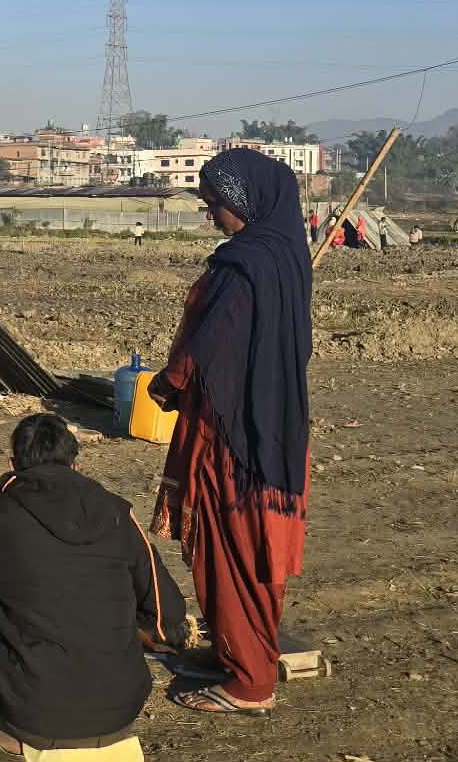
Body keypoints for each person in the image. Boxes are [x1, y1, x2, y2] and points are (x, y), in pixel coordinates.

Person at [0, 414, 187, 758]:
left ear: (12, 465)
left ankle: (12, 718)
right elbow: (169, 611)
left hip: (36, 712)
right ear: (77, 464)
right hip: (124, 706)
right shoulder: (116, 512)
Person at [147, 147, 312, 716]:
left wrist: (168, 384)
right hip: (275, 426)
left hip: (234, 436)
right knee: (252, 550)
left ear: (245, 203)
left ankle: (250, 682)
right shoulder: (286, 256)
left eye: (215, 204)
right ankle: (241, 653)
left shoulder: (243, 266)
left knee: (229, 550)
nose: (211, 215)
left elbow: (209, 348)